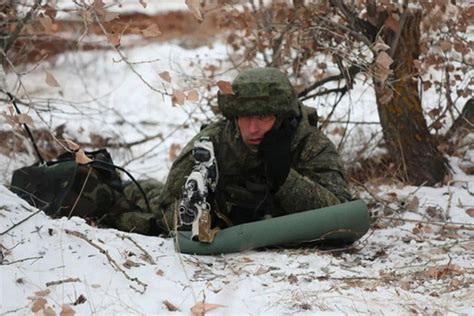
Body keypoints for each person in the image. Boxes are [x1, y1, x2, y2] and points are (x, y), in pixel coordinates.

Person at [124, 67, 352, 235]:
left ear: (282, 118)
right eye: (245, 118)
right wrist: (217, 212)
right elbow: (167, 209)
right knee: (144, 200)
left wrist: (285, 179)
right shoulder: (212, 142)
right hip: (199, 211)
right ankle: (124, 187)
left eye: (263, 118)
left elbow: (344, 216)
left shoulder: (308, 143)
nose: (253, 129)